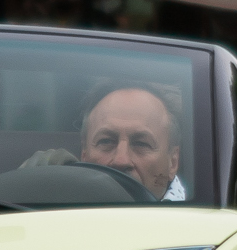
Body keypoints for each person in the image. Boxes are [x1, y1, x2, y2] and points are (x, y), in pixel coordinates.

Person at [23, 84, 190, 201]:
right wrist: (33, 188)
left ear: (173, 162)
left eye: (141, 144)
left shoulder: (202, 231)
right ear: (84, 154)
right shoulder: (57, 216)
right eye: (106, 141)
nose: (121, 160)